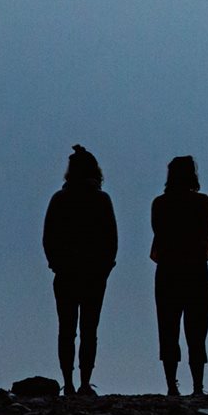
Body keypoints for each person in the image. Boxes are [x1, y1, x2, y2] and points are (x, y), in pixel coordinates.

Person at [43, 145, 118, 397]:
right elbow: (111, 239)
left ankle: (69, 382)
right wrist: (105, 267)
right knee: (89, 329)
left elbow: (48, 237)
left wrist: (56, 263)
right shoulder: (101, 200)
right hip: (94, 274)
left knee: (66, 329)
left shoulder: (60, 199)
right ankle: (85, 381)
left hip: (66, 273)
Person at [150, 156, 208, 396]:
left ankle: (171, 385)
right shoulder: (202, 202)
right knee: (197, 329)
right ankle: (198, 385)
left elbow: (157, 231)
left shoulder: (160, 203)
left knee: (168, 327)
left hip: (168, 270)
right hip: (196, 270)